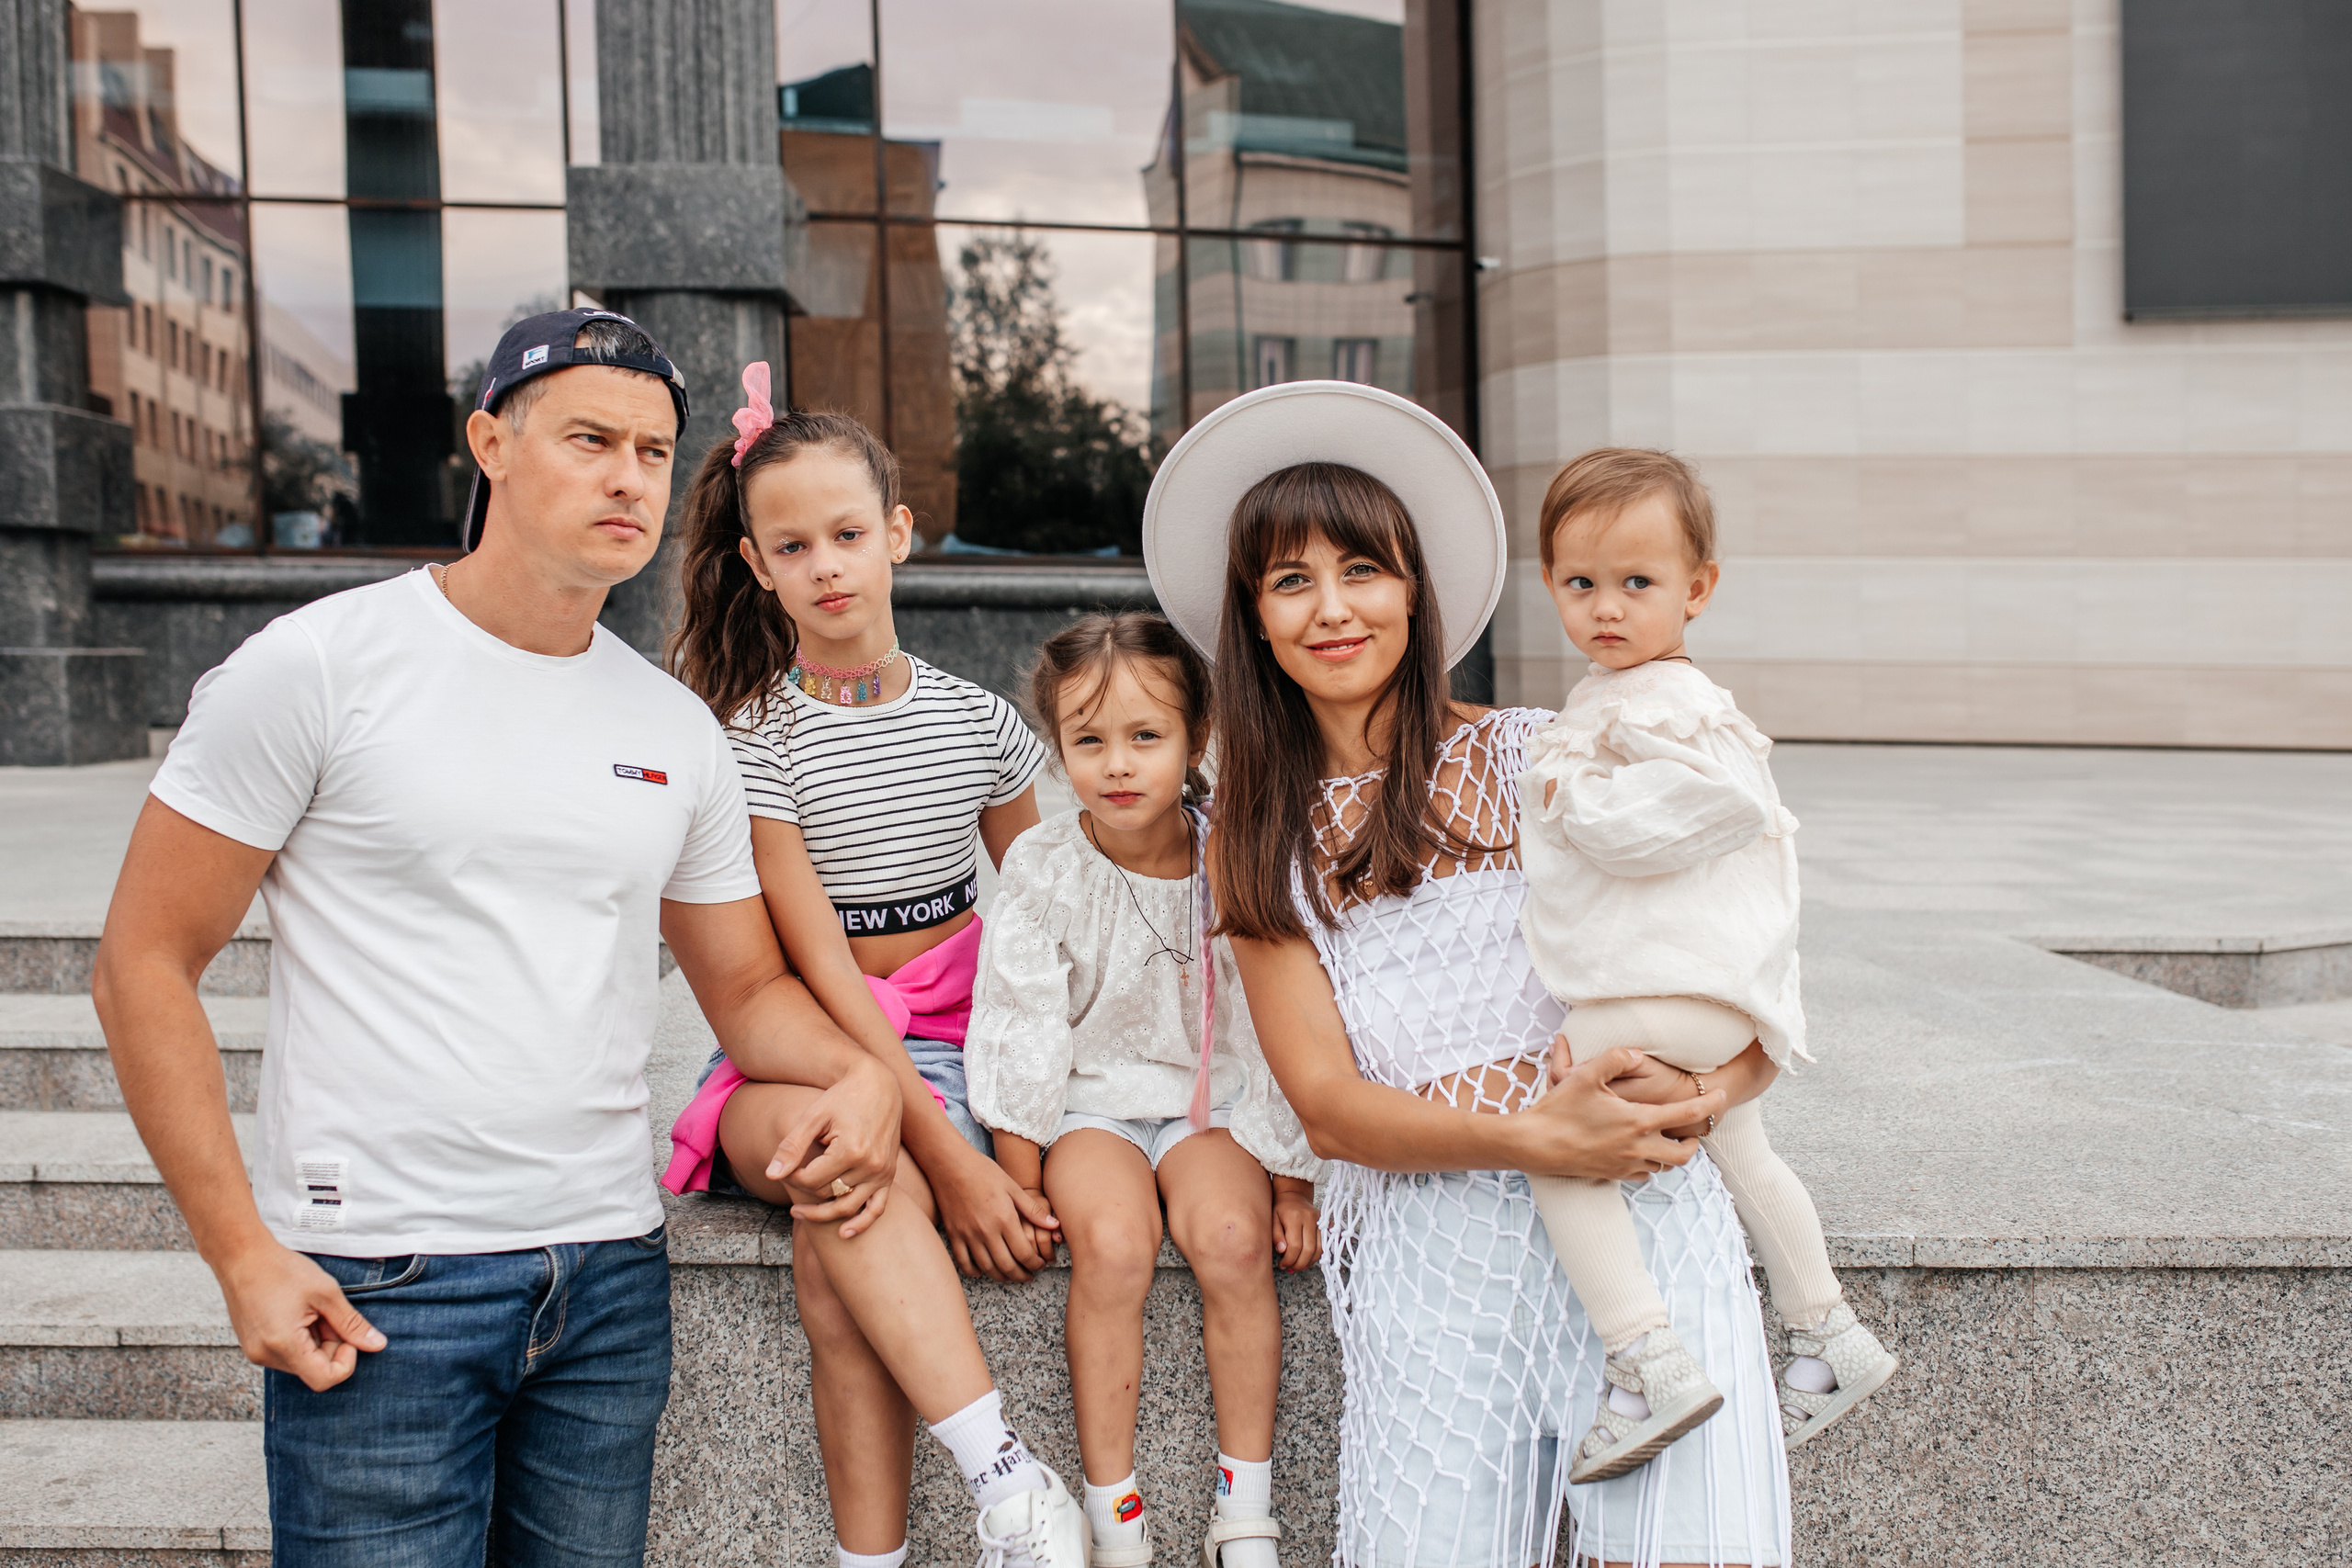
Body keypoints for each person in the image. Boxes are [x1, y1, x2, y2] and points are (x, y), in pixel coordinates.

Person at [88, 310, 917, 1568]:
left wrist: (862, 1071)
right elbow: (142, 960)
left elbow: (746, 987)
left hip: (606, 1277)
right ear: (491, 440)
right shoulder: (317, 666)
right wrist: (242, 1251)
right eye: (590, 437)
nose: (629, 475)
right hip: (382, 1273)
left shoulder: (673, 725)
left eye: (653, 449)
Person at [1142, 380, 1791, 1568]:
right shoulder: (1253, 830)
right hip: (1436, 1260)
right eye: (1291, 581)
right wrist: (1541, 1140)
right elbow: (1330, 1108)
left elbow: (1737, 928)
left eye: (1363, 571)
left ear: (1414, 590)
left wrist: (1728, 1079)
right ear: (1255, 617)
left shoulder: (1544, 749)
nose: (1332, 608)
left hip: (1644, 1230)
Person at [661, 368, 1085, 1567]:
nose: (828, 563)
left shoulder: (981, 724)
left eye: (849, 532)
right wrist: (946, 1156)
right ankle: (1005, 1472)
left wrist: (1018, 1129)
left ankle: (878, 1557)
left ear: (897, 532)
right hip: (800, 1039)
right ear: (757, 564)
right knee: (840, 1153)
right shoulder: (756, 734)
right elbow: (810, 966)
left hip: (952, 1033)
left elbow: (1051, 922)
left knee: (831, 1216)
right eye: (794, 544)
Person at [1516, 448, 1898, 1479]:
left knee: (1556, 1145)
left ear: (1698, 589)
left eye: (1637, 583)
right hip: (1711, 992)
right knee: (1749, 1154)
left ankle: (1643, 1359)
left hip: (1652, 995)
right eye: (1579, 582)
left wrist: (1569, 803)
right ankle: (1828, 1333)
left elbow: (1704, 811)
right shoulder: (1650, 694)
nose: (1606, 608)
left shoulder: (1651, 701)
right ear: (1547, 580)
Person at [964, 613, 1324, 1568]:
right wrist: (1019, 1171)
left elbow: (1272, 1021)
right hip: (1090, 1105)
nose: (1116, 765)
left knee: (1232, 1241)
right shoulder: (1046, 866)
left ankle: (1243, 1506)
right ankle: (1112, 1506)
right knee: (1115, 1248)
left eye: (1145, 737)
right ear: (1057, 748)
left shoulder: (1234, 854)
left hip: (1213, 1101)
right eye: (1087, 741)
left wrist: (1290, 1177)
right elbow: (1019, 1020)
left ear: (1195, 739)